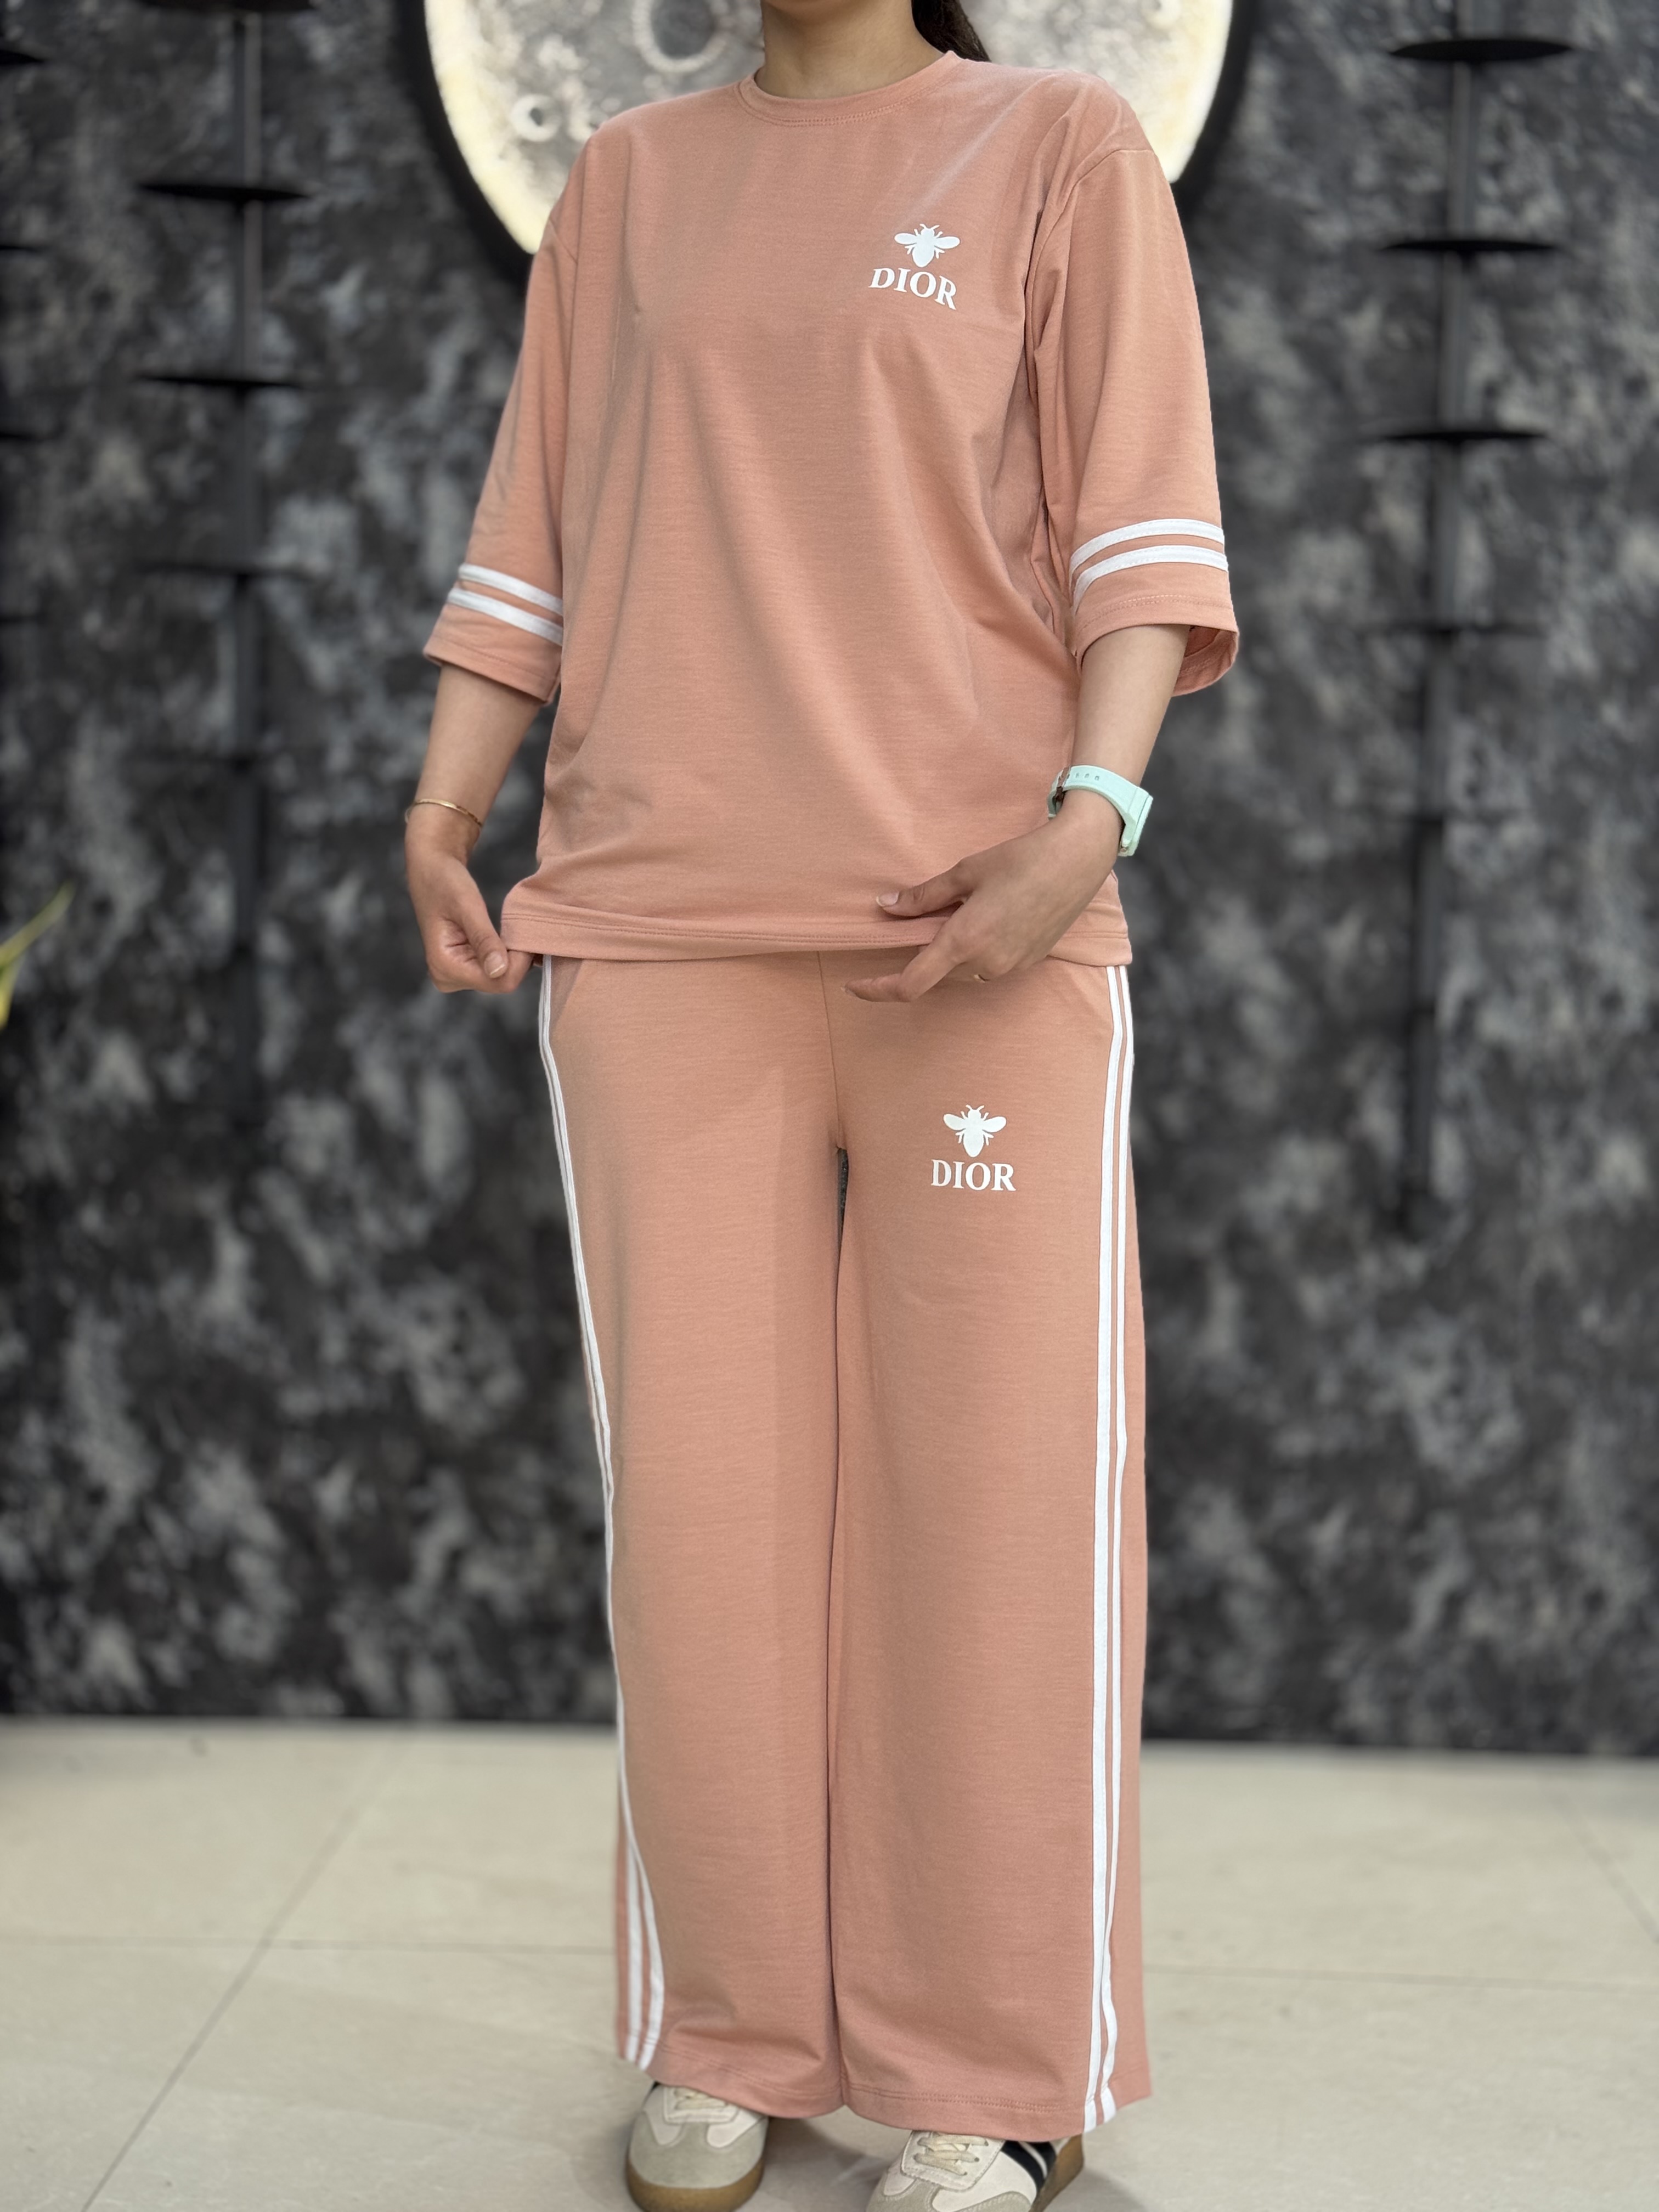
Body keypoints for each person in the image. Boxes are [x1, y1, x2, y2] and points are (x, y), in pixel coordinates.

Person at [404, 0, 1237, 2205]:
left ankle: (995, 2070)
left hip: (986, 930)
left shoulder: (1060, 152)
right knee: (703, 1517)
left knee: (998, 1510)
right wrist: (443, 806)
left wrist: (1093, 818)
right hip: (660, 930)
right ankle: (729, 2029)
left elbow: (1144, 528)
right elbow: (537, 531)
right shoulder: (630, 188)